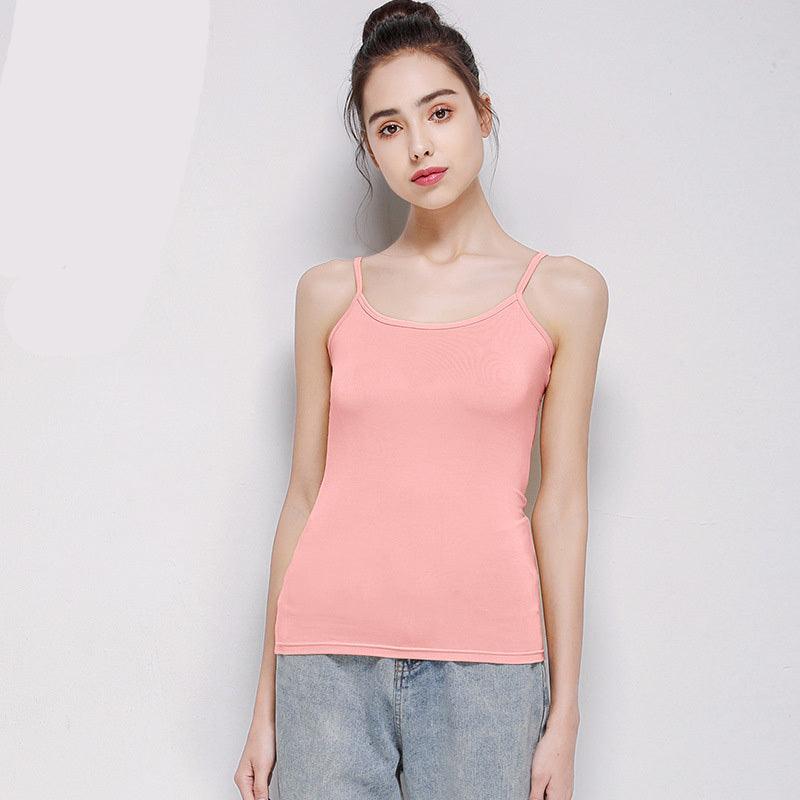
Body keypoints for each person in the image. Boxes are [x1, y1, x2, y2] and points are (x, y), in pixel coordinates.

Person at [234, 1, 608, 798]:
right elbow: (303, 495)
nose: (420, 145)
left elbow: (562, 504)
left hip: (489, 671)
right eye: (389, 127)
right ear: (370, 148)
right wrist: (264, 708)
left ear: (482, 114)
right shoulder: (329, 294)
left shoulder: (564, 294)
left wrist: (565, 715)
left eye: (439, 113)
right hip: (325, 663)